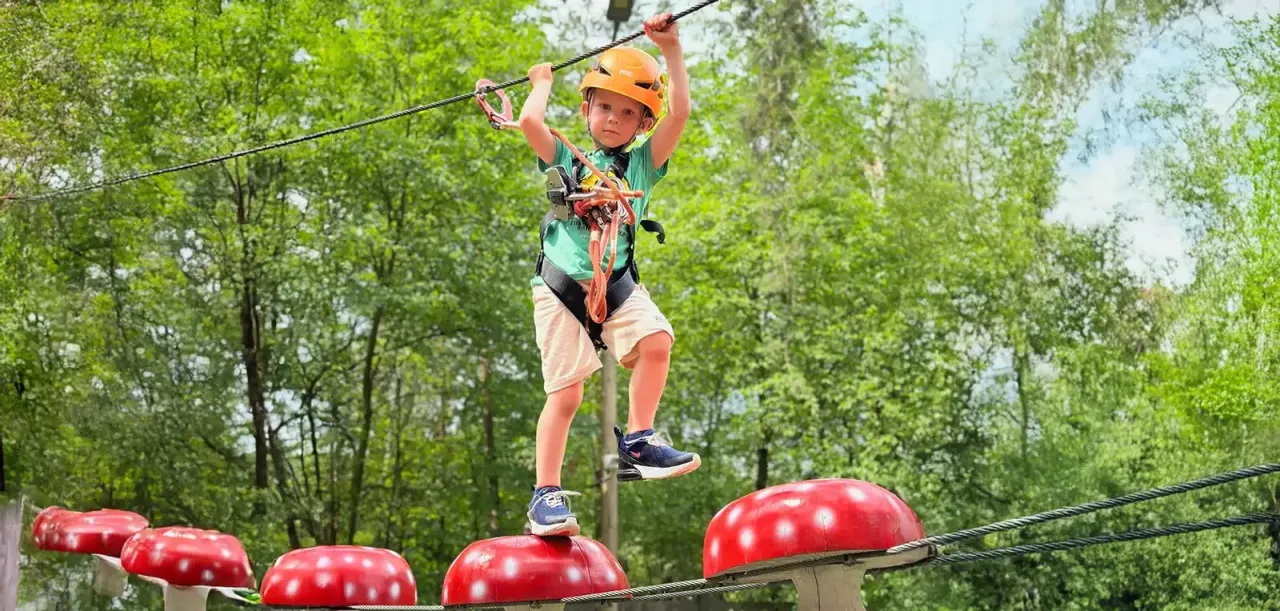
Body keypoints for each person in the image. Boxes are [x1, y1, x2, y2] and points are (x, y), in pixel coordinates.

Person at [517, 13, 699, 537]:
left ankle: (639, 441)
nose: (614, 120)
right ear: (586, 110)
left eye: (627, 113)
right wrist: (541, 84)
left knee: (658, 341)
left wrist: (671, 51)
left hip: (615, 284)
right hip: (560, 288)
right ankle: (545, 495)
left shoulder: (640, 166)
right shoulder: (568, 159)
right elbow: (530, 124)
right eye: (604, 107)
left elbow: (680, 114)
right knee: (566, 394)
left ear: (642, 124)